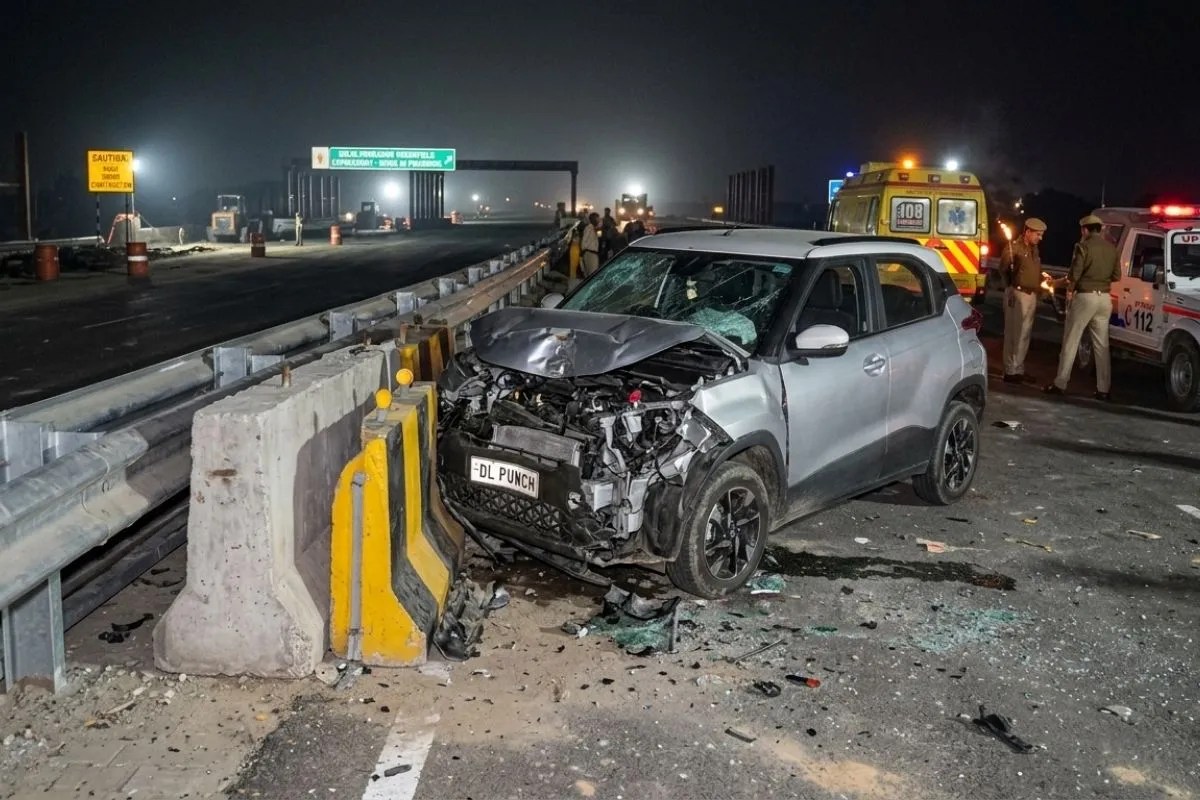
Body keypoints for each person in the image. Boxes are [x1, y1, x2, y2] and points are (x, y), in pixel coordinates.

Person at [1045, 214, 1122, 400]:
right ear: (1100, 230)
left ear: (1085, 230)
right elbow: (1117, 276)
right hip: (1104, 299)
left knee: (1071, 340)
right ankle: (1103, 389)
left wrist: (1063, 286)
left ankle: (1060, 383)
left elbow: (1074, 275)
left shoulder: (1082, 247)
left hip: (1085, 297)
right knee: (1102, 346)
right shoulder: (1111, 249)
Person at [1000, 218, 1047, 382]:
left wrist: (1043, 277)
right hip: (1017, 293)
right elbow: (1003, 269)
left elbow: (1034, 271)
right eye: (1038, 234)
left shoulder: (1035, 250)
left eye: (1041, 235)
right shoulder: (1014, 248)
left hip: (1030, 295)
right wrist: (1010, 288)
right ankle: (1010, 370)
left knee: (1024, 334)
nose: (1040, 238)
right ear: (1027, 232)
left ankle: (1018, 367)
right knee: (1013, 333)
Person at [580, 212, 600, 277]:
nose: (599, 220)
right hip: (590, 253)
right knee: (593, 274)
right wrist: (583, 252)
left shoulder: (593, 228)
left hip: (591, 253)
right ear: (594, 219)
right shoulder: (589, 228)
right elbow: (584, 241)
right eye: (598, 219)